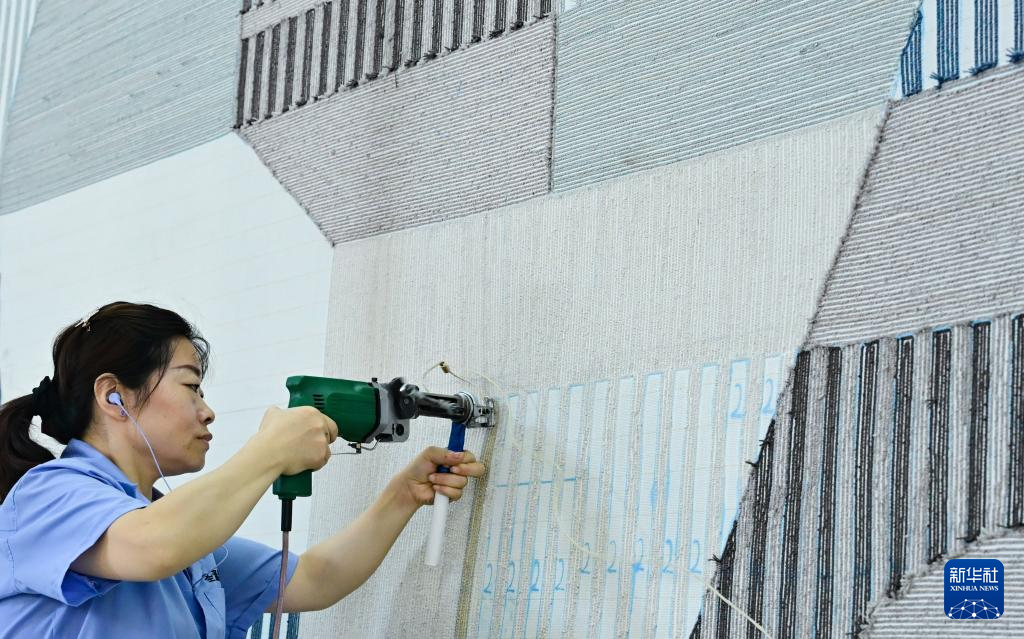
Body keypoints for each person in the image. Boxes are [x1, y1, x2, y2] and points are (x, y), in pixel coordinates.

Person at [0, 302, 486, 638]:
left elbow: (316, 578)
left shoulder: (189, 548)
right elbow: (152, 547)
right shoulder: (46, 497)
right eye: (191, 387)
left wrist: (403, 494)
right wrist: (270, 451)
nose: (207, 412)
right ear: (114, 397)